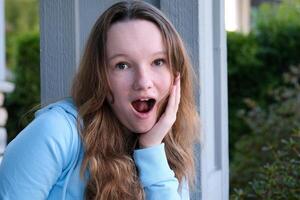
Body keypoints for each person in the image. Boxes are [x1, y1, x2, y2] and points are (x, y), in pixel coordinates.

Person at [0, 1, 199, 199]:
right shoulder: (56, 131)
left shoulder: (167, 149)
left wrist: (152, 149)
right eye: (122, 65)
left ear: (175, 73)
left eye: (158, 62)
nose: (143, 82)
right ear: (100, 76)